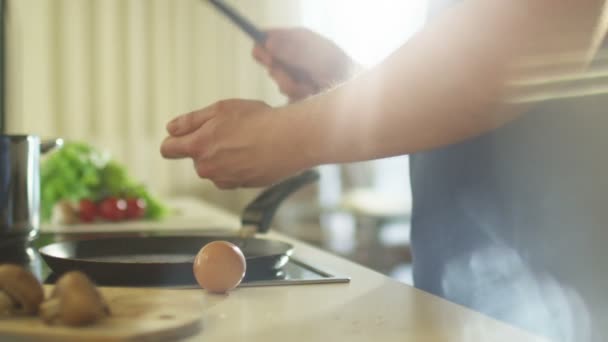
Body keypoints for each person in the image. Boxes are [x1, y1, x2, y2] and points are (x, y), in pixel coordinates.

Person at [161, 1, 608, 340]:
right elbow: (473, 85)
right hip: (474, 307)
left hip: (562, 310)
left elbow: (545, 29)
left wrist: (283, 135)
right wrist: (348, 81)